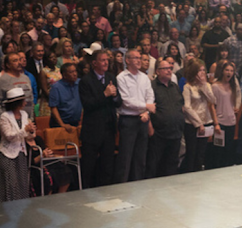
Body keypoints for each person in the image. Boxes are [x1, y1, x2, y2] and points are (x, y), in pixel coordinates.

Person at [114, 49, 156, 183]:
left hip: (143, 119)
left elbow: (151, 97)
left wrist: (147, 112)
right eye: (136, 58)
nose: (139, 60)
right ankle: (122, 187)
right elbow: (126, 102)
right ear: (127, 61)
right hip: (128, 120)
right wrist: (146, 107)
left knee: (140, 158)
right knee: (125, 158)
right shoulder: (121, 77)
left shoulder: (144, 77)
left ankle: (138, 187)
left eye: (140, 58)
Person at [79, 49, 119, 188]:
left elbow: (118, 102)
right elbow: (88, 105)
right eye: (103, 60)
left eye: (107, 60)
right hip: (92, 130)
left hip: (109, 128)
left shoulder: (111, 77)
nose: (106, 62)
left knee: (107, 164)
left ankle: (106, 192)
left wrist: (114, 96)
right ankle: (86, 192)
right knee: (89, 165)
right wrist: (105, 94)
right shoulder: (85, 81)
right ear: (94, 63)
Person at [146, 59, 185, 178]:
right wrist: (150, 128)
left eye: (170, 68)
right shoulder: (152, 87)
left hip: (175, 132)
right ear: (157, 71)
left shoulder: (175, 87)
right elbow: (147, 109)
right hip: (159, 134)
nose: (169, 71)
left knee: (172, 165)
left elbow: (181, 105)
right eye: (166, 68)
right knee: (155, 165)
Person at [0, 87, 34, 202]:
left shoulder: (24, 114)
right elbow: (9, 136)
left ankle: (22, 206)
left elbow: (27, 136)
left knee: (22, 182)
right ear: (17, 102)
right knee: (10, 183)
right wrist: (25, 130)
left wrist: (31, 131)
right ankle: (8, 208)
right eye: (23, 100)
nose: (25, 102)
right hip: (7, 154)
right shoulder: (4, 117)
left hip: (21, 152)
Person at [180, 59, 218, 173]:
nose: (202, 73)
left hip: (206, 121)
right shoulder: (188, 87)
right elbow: (187, 107)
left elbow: (212, 100)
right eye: (199, 70)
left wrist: (203, 85)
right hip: (192, 124)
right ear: (193, 72)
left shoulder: (206, 85)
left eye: (203, 70)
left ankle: (198, 177)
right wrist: (198, 123)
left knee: (201, 153)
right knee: (192, 153)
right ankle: (189, 176)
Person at [207, 60, 242, 167]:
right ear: (222, 71)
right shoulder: (215, 86)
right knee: (218, 150)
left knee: (228, 150)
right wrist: (216, 123)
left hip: (231, 121)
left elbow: (237, 98)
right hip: (220, 122)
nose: (229, 72)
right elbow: (212, 105)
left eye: (231, 71)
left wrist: (235, 107)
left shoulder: (233, 86)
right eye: (227, 70)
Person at [47, 62, 81, 133]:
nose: (75, 74)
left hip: (75, 122)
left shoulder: (80, 83)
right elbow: (53, 107)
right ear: (64, 75)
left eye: (75, 71)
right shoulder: (56, 87)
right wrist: (62, 124)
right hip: (60, 124)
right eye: (71, 72)